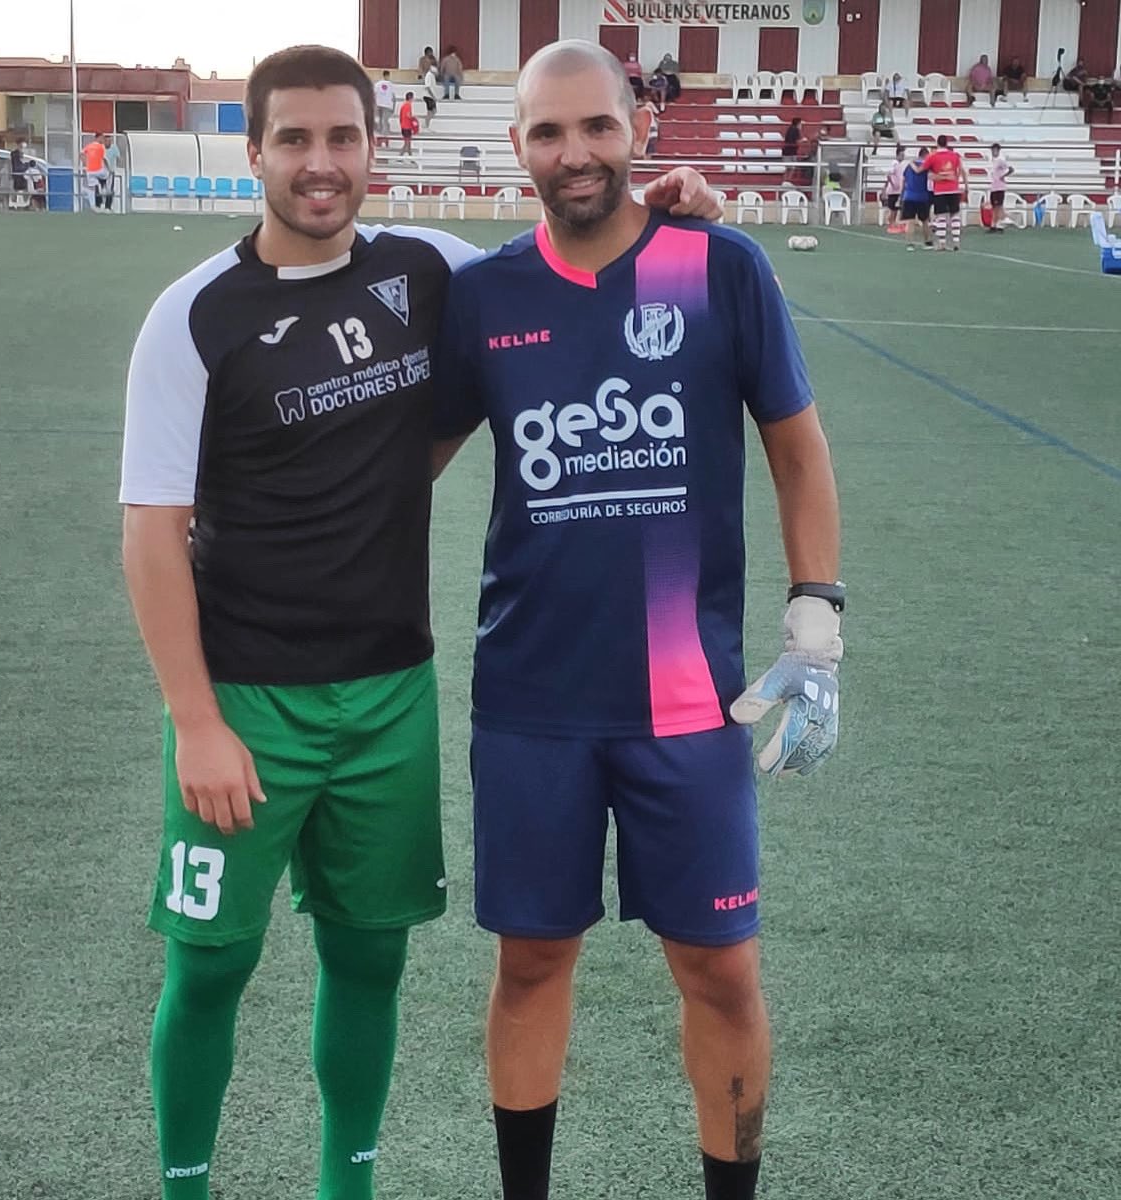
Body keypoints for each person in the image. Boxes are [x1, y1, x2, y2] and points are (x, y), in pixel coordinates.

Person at [121, 37, 725, 1200]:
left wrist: (672, 206)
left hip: (391, 693)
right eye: (293, 139)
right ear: (254, 153)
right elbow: (152, 533)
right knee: (209, 967)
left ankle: (347, 1186)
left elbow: (569, 254)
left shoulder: (437, 270)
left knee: (367, 962)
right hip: (243, 700)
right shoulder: (191, 317)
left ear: (373, 148)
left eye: (341, 137)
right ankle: (183, 1189)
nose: (319, 163)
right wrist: (194, 720)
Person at [432, 39, 843, 1200]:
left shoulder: (717, 267)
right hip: (531, 701)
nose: (575, 154)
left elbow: (797, 450)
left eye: (597, 127)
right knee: (531, 962)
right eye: (548, 132)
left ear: (638, 131)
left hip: (686, 701)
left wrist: (817, 624)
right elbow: (404, 462)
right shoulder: (484, 295)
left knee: (720, 970)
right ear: (516, 146)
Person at [920, 133, 969, 250]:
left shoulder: (932, 156)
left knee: (940, 216)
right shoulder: (955, 156)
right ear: (947, 143)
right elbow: (960, 170)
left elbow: (926, 172)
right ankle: (956, 242)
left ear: (937, 143)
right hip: (953, 189)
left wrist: (938, 176)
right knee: (954, 215)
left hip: (940, 190)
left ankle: (942, 243)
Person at [900, 146, 933, 250]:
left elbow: (904, 180)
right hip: (922, 196)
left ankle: (910, 244)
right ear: (925, 155)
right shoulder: (926, 166)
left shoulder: (909, 166)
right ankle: (927, 242)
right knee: (925, 221)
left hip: (909, 195)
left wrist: (901, 195)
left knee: (910, 221)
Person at [986, 142, 1013, 232]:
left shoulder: (1001, 160)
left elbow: (1011, 169)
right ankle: (994, 224)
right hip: (994, 186)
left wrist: (1003, 176)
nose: (993, 152)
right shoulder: (993, 161)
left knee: (998, 206)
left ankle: (1001, 222)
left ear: (998, 150)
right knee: (994, 206)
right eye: (992, 150)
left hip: (1000, 187)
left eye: (995, 150)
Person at [82, 132, 110, 209]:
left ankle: (93, 205)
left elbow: (81, 154)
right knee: (107, 175)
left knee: (92, 187)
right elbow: (104, 159)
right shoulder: (101, 147)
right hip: (99, 170)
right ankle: (103, 189)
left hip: (90, 171)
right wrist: (108, 168)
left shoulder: (89, 146)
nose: (103, 139)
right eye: (102, 138)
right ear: (99, 138)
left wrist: (85, 163)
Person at [882, 143, 906, 225]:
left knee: (896, 208)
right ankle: (891, 222)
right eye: (902, 155)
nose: (903, 157)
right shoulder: (894, 164)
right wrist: (893, 184)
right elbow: (889, 175)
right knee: (893, 208)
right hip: (893, 190)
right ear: (898, 155)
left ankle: (893, 222)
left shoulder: (900, 165)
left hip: (898, 190)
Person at [373, 69, 395, 138]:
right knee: (384, 120)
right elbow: (393, 96)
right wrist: (393, 106)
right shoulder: (390, 84)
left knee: (380, 119)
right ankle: (384, 134)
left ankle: (380, 133)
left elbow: (374, 94)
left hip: (379, 103)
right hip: (387, 104)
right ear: (387, 75)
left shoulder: (377, 84)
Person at [103, 134, 122, 212]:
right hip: (102, 172)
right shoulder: (101, 148)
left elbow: (119, 157)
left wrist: (120, 161)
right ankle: (99, 205)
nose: (109, 142)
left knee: (110, 189)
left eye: (110, 141)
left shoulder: (114, 147)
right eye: (107, 141)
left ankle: (108, 207)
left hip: (111, 172)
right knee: (100, 189)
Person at [400, 90, 419, 155]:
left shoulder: (404, 105)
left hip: (404, 126)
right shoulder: (408, 105)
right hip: (406, 127)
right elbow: (408, 115)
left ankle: (410, 156)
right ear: (411, 97)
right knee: (407, 143)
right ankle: (400, 157)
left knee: (408, 143)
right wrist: (414, 117)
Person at [422, 63, 440, 128]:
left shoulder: (432, 76)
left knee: (434, 111)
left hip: (431, 96)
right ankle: (426, 124)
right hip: (428, 96)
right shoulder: (429, 75)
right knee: (430, 111)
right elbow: (428, 87)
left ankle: (427, 124)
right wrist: (433, 96)